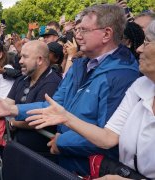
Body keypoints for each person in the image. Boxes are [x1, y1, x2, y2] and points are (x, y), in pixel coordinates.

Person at [0, 4, 140, 175]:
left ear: (107, 34)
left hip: (91, 169)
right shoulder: (79, 66)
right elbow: (54, 106)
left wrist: (62, 141)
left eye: (84, 30)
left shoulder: (122, 75)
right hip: (65, 160)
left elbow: (107, 136)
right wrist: (13, 109)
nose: (77, 36)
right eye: (77, 30)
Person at [26, 20, 155, 179]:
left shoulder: (123, 75)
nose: (140, 48)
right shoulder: (140, 85)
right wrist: (66, 118)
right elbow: (108, 137)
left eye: (147, 42)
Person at [0, 40, 61, 155]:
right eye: (20, 57)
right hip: (17, 146)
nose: (20, 61)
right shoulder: (23, 78)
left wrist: (13, 123)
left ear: (39, 60)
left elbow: (38, 119)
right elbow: (7, 103)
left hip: (39, 154)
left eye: (25, 57)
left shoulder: (53, 82)